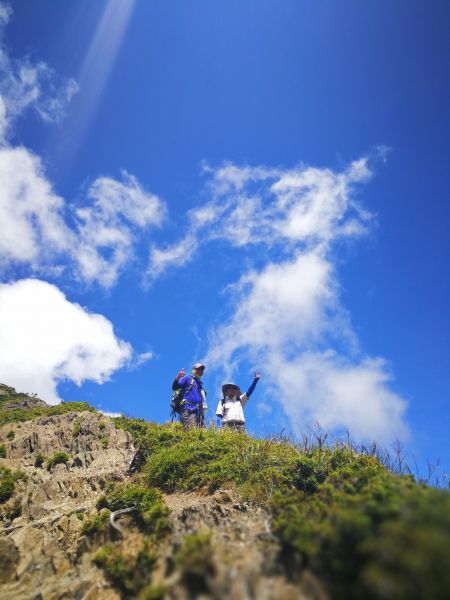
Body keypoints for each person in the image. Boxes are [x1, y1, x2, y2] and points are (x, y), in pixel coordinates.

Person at [173, 363, 207, 429]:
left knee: (198, 434)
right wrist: (179, 377)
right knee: (190, 430)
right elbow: (175, 387)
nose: (200, 371)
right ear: (193, 370)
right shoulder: (188, 378)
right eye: (198, 369)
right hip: (188, 409)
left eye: (202, 369)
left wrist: (202, 416)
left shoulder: (200, 384)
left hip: (198, 412)